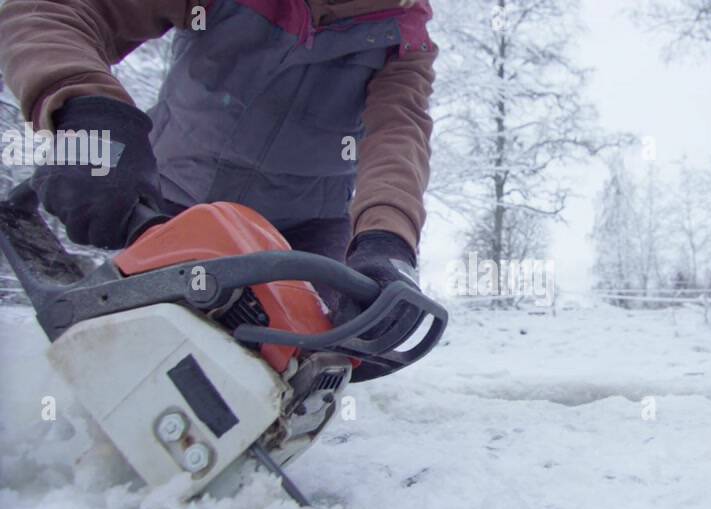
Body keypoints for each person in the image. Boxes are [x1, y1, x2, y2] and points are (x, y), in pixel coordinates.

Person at [0, 0, 436, 334]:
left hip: (306, 230)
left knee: (303, 355)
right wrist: (88, 113)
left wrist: (387, 240)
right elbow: (58, 10)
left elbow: (398, 136)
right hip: (177, 200)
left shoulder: (404, 39)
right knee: (146, 334)